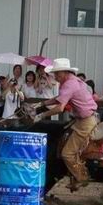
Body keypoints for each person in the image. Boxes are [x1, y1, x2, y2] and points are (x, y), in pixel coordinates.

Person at [36, 58, 98, 190]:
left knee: (67, 153)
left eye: (57, 73)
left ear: (64, 72)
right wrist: (42, 104)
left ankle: (81, 178)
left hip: (84, 122)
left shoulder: (69, 84)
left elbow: (60, 107)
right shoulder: (73, 81)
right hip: (84, 119)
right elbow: (59, 99)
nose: (55, 76)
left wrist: (42, 114)